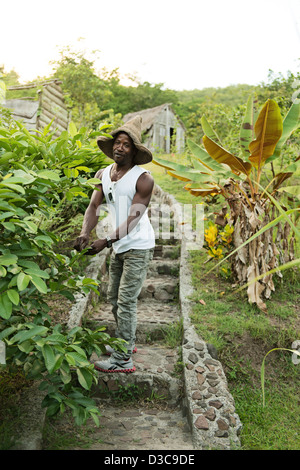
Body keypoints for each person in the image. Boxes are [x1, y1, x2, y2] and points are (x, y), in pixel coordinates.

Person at [74, 116, 155, 373]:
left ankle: (122, 359)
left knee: (126, 300)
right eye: (117, 143)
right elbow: (94, 206)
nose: (120, 148)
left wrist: (106, 240)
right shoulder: (104, 174)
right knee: (112, 297)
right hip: (119, 245)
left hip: (138, 245)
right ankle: (126, 341)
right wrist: (85, 232)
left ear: (134, 151)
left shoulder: (143, 179)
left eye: (126, 145)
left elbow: (134, 218)